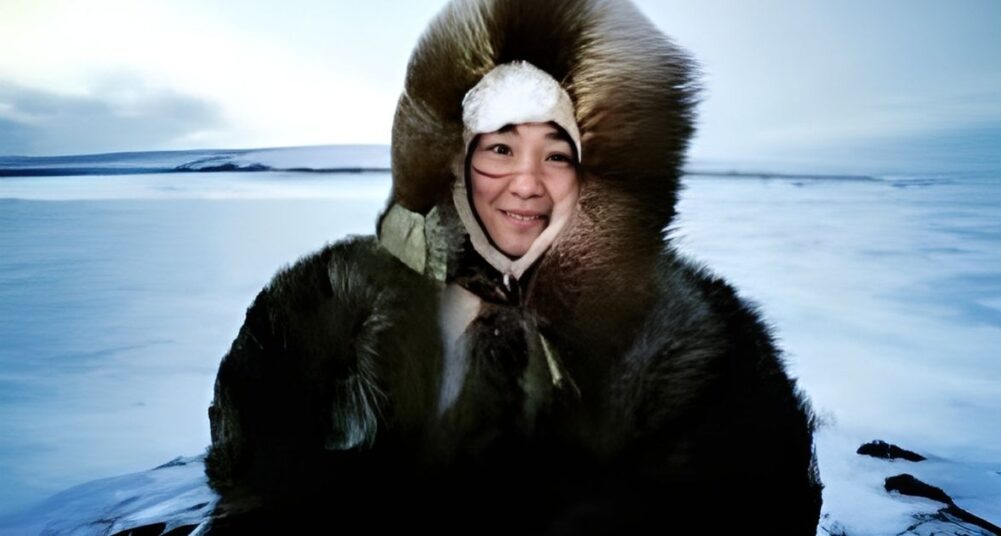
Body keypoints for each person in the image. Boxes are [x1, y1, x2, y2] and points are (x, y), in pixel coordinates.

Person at [202, 0, 823, 533]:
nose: (526, 184)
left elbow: (766, 503)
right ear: (452, 160)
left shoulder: (702, 342)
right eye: (500, 147)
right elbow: (248, 463)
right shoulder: (326, 301)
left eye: (556, 154)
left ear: (594, 176)